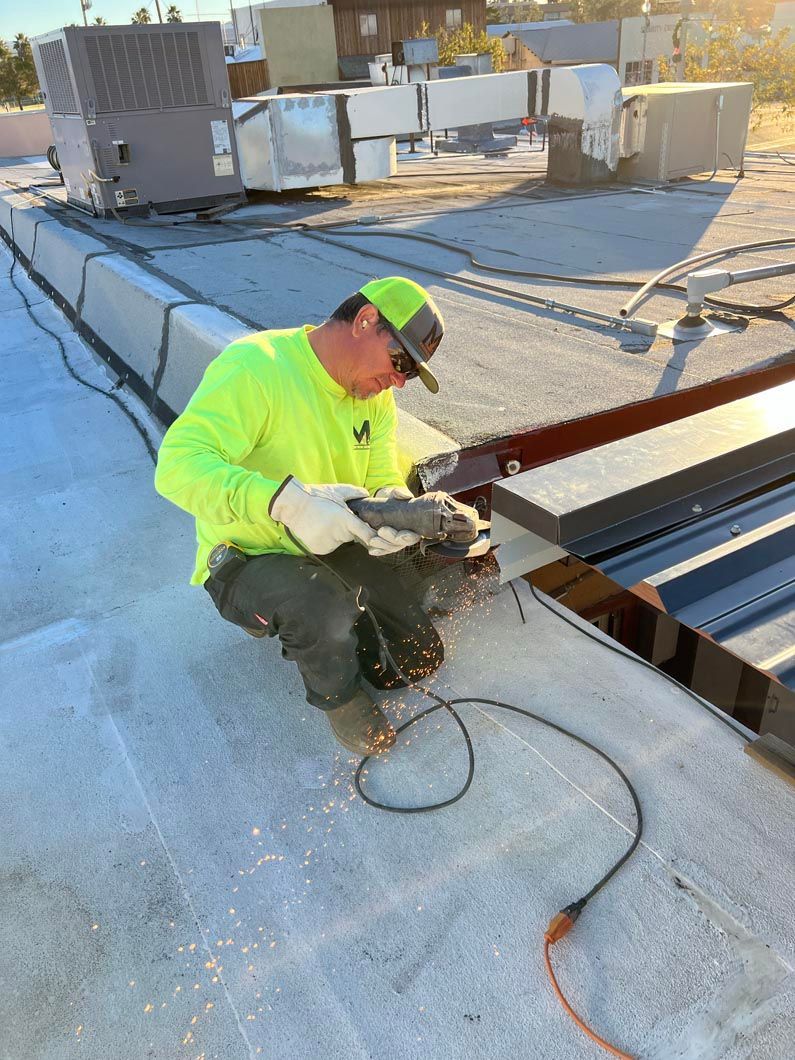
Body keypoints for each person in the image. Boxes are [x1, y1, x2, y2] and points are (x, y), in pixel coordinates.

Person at [154, 276, 446, 755]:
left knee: (417, 660)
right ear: (366, 321)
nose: (398, 380)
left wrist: (395, 506)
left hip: (325, 543)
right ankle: (338, 696)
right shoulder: (257, 367)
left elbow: (378, 474)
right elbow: (177, 467)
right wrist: (285, 502)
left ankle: (324, 623)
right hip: (249, 554)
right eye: (400, 362)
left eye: (410, 373)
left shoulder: (373, 395)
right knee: (320, 609)